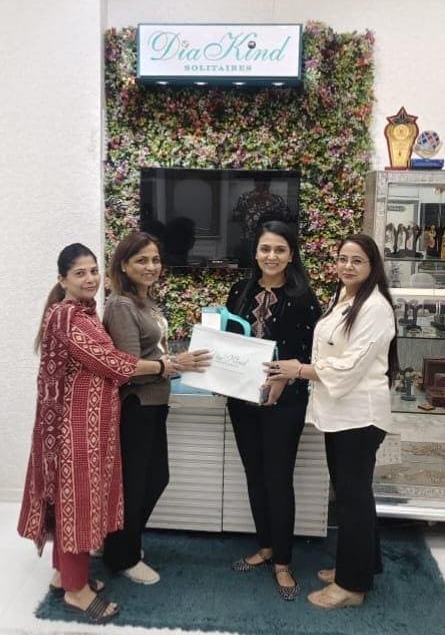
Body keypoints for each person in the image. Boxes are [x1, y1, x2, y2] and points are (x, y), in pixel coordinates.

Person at [17, 243, 178, 625]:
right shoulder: (68, 315)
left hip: (90, 426)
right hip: (75, 430)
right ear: (62, 280)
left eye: (93, 271)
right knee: (77, 505)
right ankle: (77, 591)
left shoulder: (83, 313)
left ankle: (64, 576)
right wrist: (163, 366)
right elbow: (112, 363)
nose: (90, 279)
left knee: (72, 502)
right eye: (80, 273)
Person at [265, 233, 398, 610]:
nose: (347, 266)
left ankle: (351, 587)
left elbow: (350, 365)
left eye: (357, 260)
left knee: (352, 499)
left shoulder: (375, 307)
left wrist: (299, 370)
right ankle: (364, 564)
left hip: (360, 416)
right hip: (340, 414)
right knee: (353, 494)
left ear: (372, 266)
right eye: (342, 258)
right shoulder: (344, 296)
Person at [102, 231, 211, 583]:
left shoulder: (144, 302)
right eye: (141, 260)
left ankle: (121, 542)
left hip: (154, 403)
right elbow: (128, 367)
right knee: (136, 485)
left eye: (155, 260)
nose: (151, 266)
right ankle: (123, 555)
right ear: (124, 265)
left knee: (154, 479)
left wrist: (175, 362)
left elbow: (153, 354)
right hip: (137, 406)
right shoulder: (121, 305)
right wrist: (173, 364)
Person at [225, 220, 321, 600]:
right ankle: (265, 547)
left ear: (291, 255)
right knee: (254, 475)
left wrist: (285, 378)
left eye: (280, 249)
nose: (271, 256)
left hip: (286, 403)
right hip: (242, 400)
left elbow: (312, 354)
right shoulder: (240, 290)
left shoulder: (304, 297)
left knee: (278, 479)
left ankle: (282, 560)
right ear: (255, 252)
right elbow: (229, 343)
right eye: (265, 249)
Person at [232, 177, 292, 267]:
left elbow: (287, 217)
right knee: (247, 265)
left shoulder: (277, 199)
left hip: (271, 240)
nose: (262, 184)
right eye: (259, 182)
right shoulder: (245, 197)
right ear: (255, 183)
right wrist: (250, 200)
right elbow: (235, 216)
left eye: (265, 182)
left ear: (269, 184)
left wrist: (272, 199)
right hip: (248, 239)